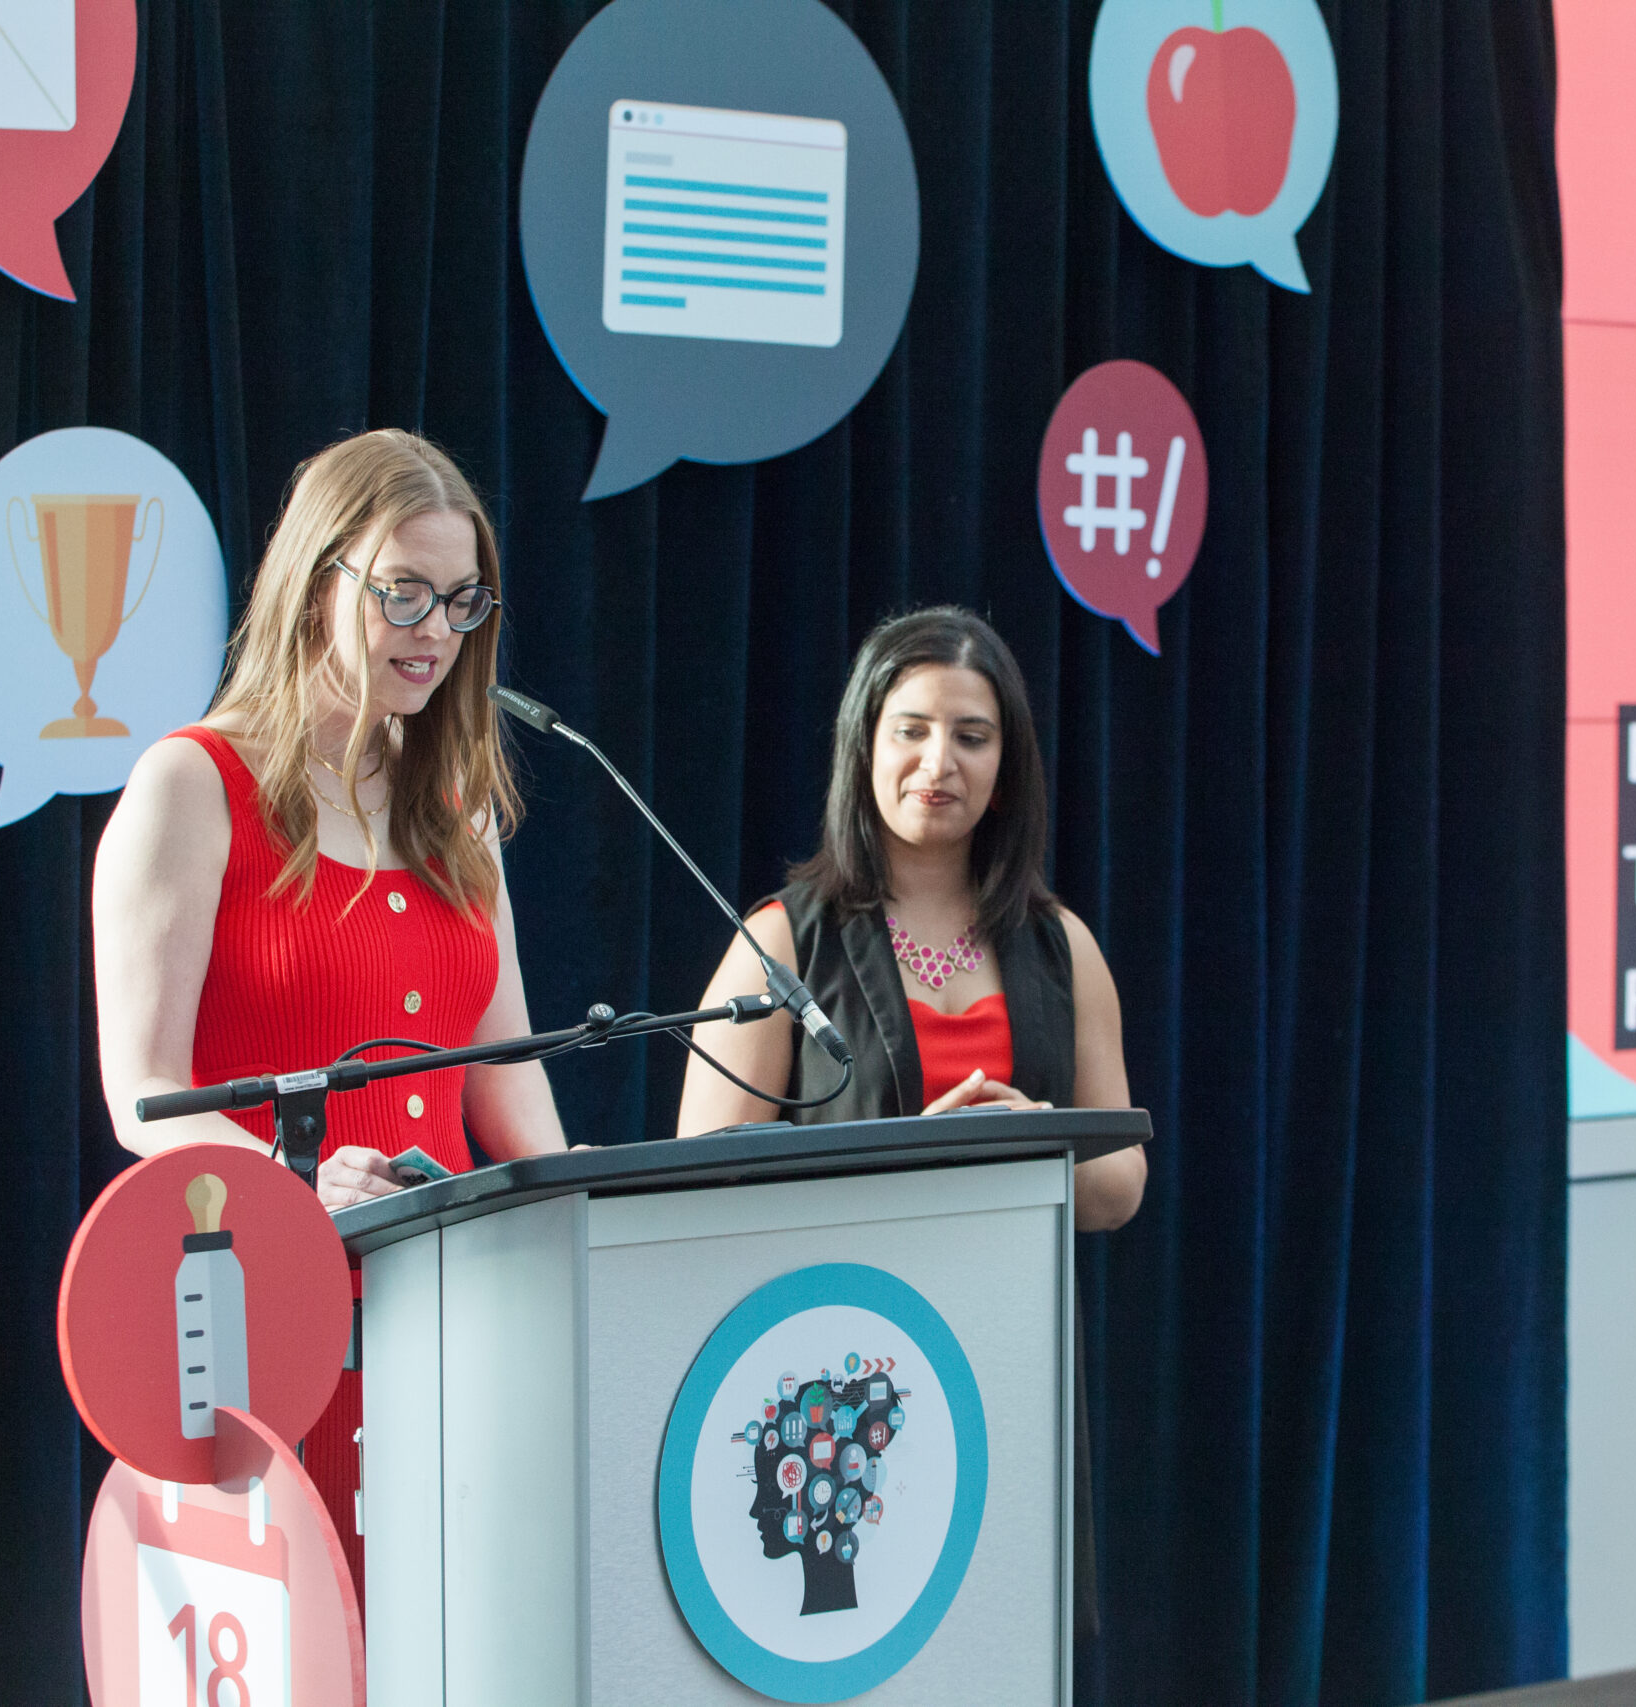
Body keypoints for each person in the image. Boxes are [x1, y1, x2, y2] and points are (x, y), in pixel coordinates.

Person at [91, 427, 567, 1592]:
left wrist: (572, 1201)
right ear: (317, 585)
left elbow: (503, 1064)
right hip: (272, 1331)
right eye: (402, 592)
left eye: (460, 602)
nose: (434, 633)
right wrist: (294, 1184)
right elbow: (143, 1098)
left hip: (462, 1322)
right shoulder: (192, 785)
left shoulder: (459, 811)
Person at [674, 605, 1145, 1235]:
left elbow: (1120, 1189)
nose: (938, 761)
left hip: (1018, 1322)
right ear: (863, 746)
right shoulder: (782, 942)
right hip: (835, 1321)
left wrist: (1031, 1146)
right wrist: (911, 1165)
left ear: (1005, 770)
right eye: (911, 731)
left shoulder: (1064, 944)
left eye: (971, 738)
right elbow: (696, 1188)